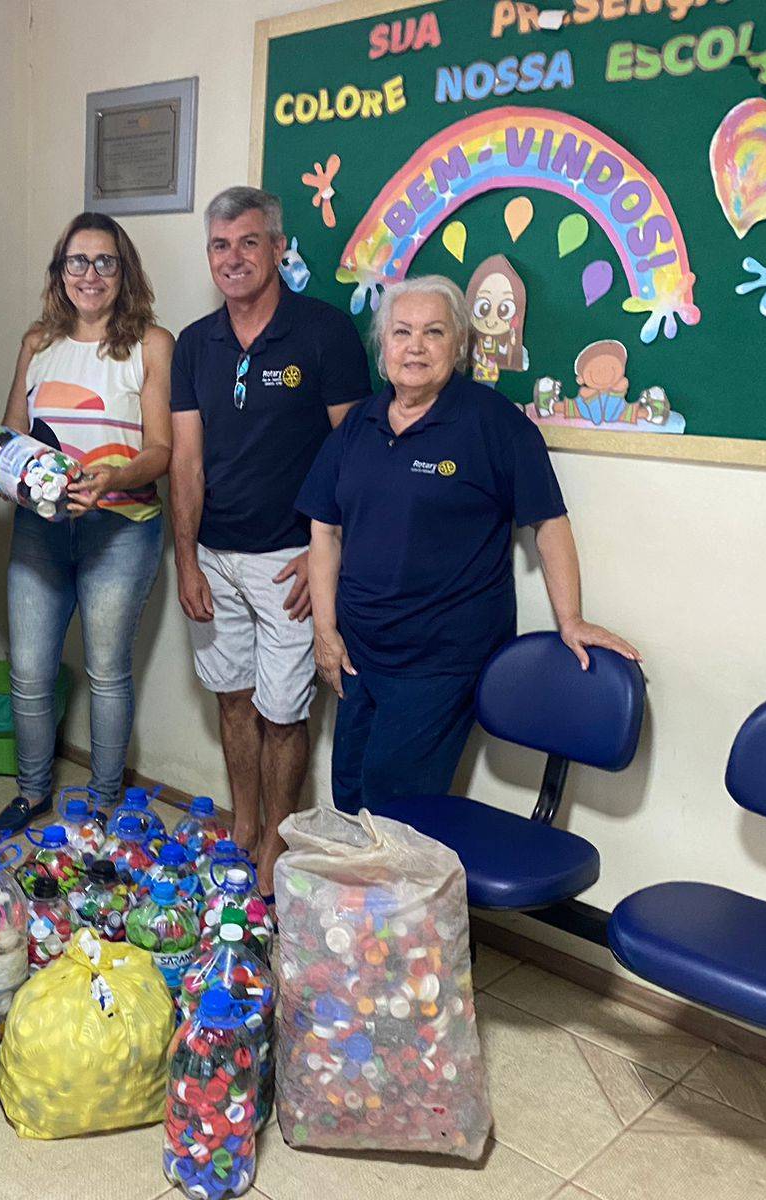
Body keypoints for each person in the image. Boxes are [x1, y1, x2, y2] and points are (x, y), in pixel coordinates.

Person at [295, 275, 641, 811]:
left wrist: (569, 619)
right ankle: (355, 897)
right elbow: (325, 530)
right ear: (382, 345)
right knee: (350, 795)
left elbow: (548, 523)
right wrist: (325, 630)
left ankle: (396, 898)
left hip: (440, 659)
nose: (415, 346)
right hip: (360, 652)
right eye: (401, 331)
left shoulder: (494, 424)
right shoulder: (357, 425)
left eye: (433, 332)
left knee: (394, 809)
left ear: (459, 345)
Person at [171, 186, 371, 896]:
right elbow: (186, 462)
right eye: (221, 245)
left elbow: (356, 454)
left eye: (249, 242)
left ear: (278, 248)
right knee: (232, 698)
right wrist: (185, 559)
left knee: (283, 713)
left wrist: (326, 558)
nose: (234, 258)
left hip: (291, 560)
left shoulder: (325, 333)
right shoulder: (195, 343)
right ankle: (245, 827)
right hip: (214, 559)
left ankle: (276, 850)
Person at [0, 212, 173, 835]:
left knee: (106, 671)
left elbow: (161, 451)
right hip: (41, 528)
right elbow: (12, 435)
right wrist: (0, 466)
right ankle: (33, 791)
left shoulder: (150, 343)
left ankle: (100, 800)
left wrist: (113, 478)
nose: (89, 275)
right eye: (77, 262)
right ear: (59, 271)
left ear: (125, 271)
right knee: (31, 671)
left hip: (121, 527)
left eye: (104, 262)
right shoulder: (38, 342)